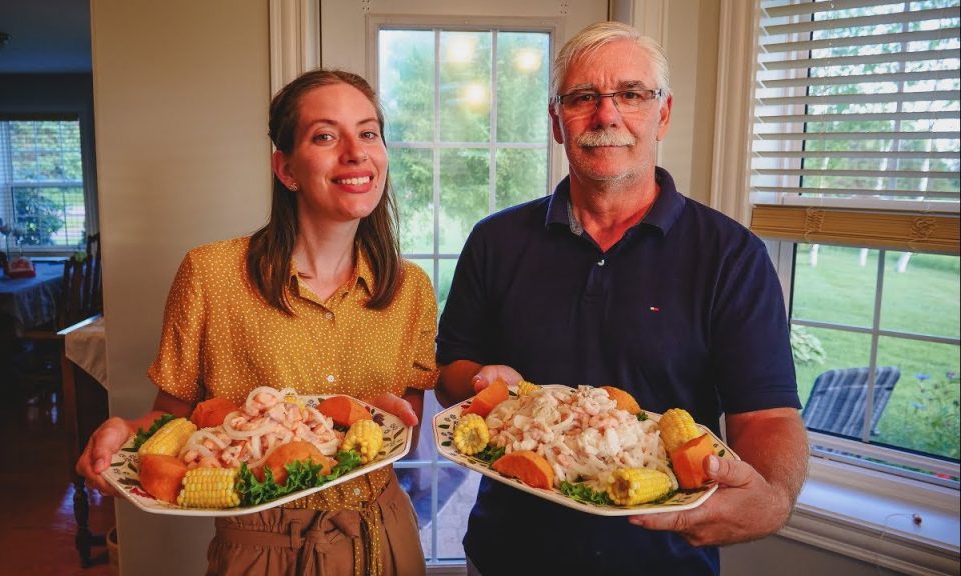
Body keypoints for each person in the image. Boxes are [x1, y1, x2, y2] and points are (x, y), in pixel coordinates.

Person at [435, 21, 809, 576]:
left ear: (662, 113)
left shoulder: (732, 256)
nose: (606, 115)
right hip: (508, 553)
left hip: (667, 558)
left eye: (631, 94)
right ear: (558, 122)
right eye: (583, 97)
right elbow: (448, 376)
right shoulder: (496, 240)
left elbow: (769, 413)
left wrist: (774, 497)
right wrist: (480, 383)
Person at [76, 69, 436, 576]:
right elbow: (174, 422)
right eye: (326, 136)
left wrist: (394, 418)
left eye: (369, 132)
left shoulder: (410, 287)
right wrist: (125, 432)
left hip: (385, 537)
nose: (356, 152)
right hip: (262, 548)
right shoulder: (209, 273)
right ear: (286, 168)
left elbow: (404, 432)